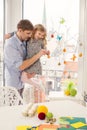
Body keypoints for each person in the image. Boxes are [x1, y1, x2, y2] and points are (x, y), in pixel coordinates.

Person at [4, 19, 49, 96]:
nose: (29, 35)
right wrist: (39, 54)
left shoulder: (24, 40)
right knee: (13, 107)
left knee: (20, 106)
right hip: (13, 85)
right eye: (28, 33)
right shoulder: (11, 44)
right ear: (20, 31)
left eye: (30, 33)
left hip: (21, 83)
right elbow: (20, 66)